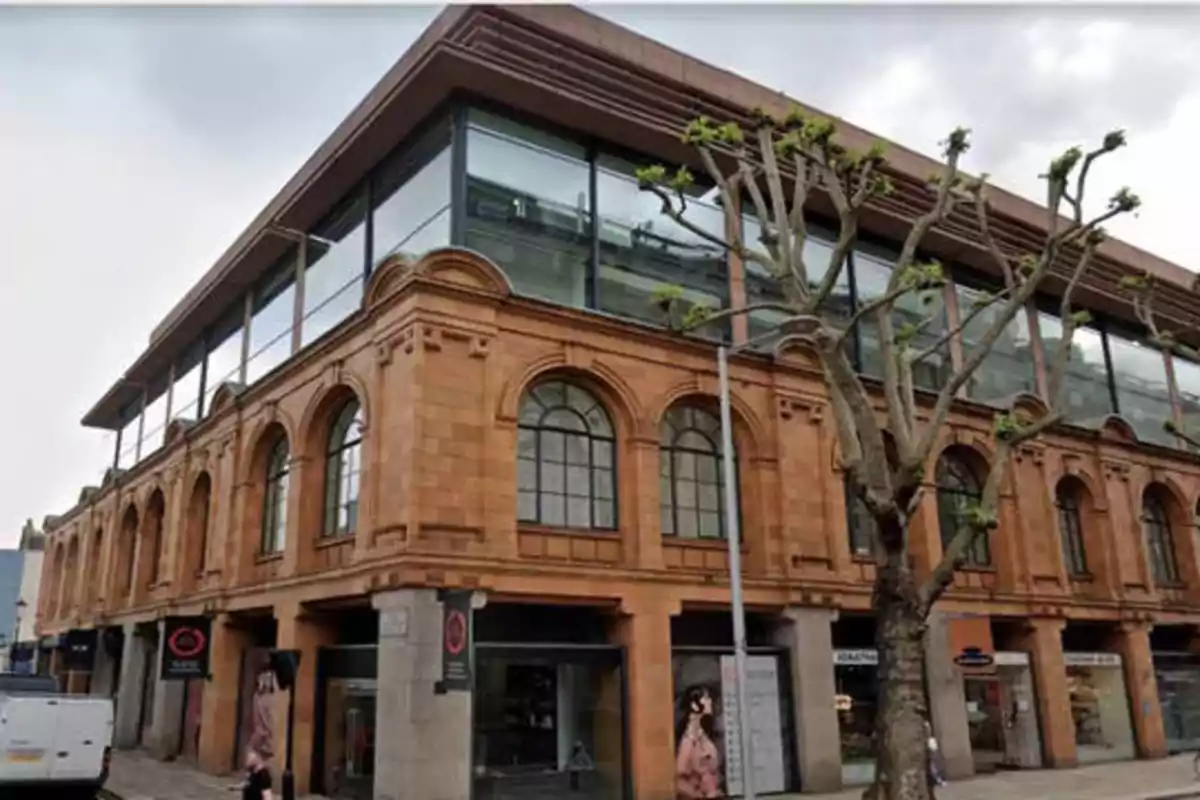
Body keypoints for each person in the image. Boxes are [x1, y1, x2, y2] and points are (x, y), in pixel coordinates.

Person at [676, 686, 723, 799]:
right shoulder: (689, 739)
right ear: (694, 705)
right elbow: (680, 772)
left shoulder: (703, 735)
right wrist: (697, 794)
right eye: (706, 698)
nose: (710, 702)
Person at [925, 720, 946, 787]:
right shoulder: (926, 740)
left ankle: (939, 780)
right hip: (928, 756)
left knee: (934, 768)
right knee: (932, 769)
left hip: (931, 756)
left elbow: (934, 750)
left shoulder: (931, 740)